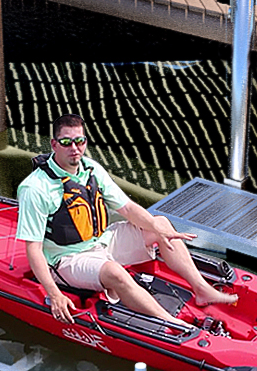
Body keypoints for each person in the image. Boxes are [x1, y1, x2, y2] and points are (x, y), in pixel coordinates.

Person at [16, 113, 237, 325]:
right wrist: (54, 294)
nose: (74, 149)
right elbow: (33, 249)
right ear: (54, 145)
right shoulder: (35, 188)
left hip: (100, 241)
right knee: (115, 272)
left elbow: (128, 208)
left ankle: (201, 289)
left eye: (79, 141)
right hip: (66, 260)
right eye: (66, 142)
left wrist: (158, 228)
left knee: (160, 225)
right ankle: (172, 323)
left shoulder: (91, 169)